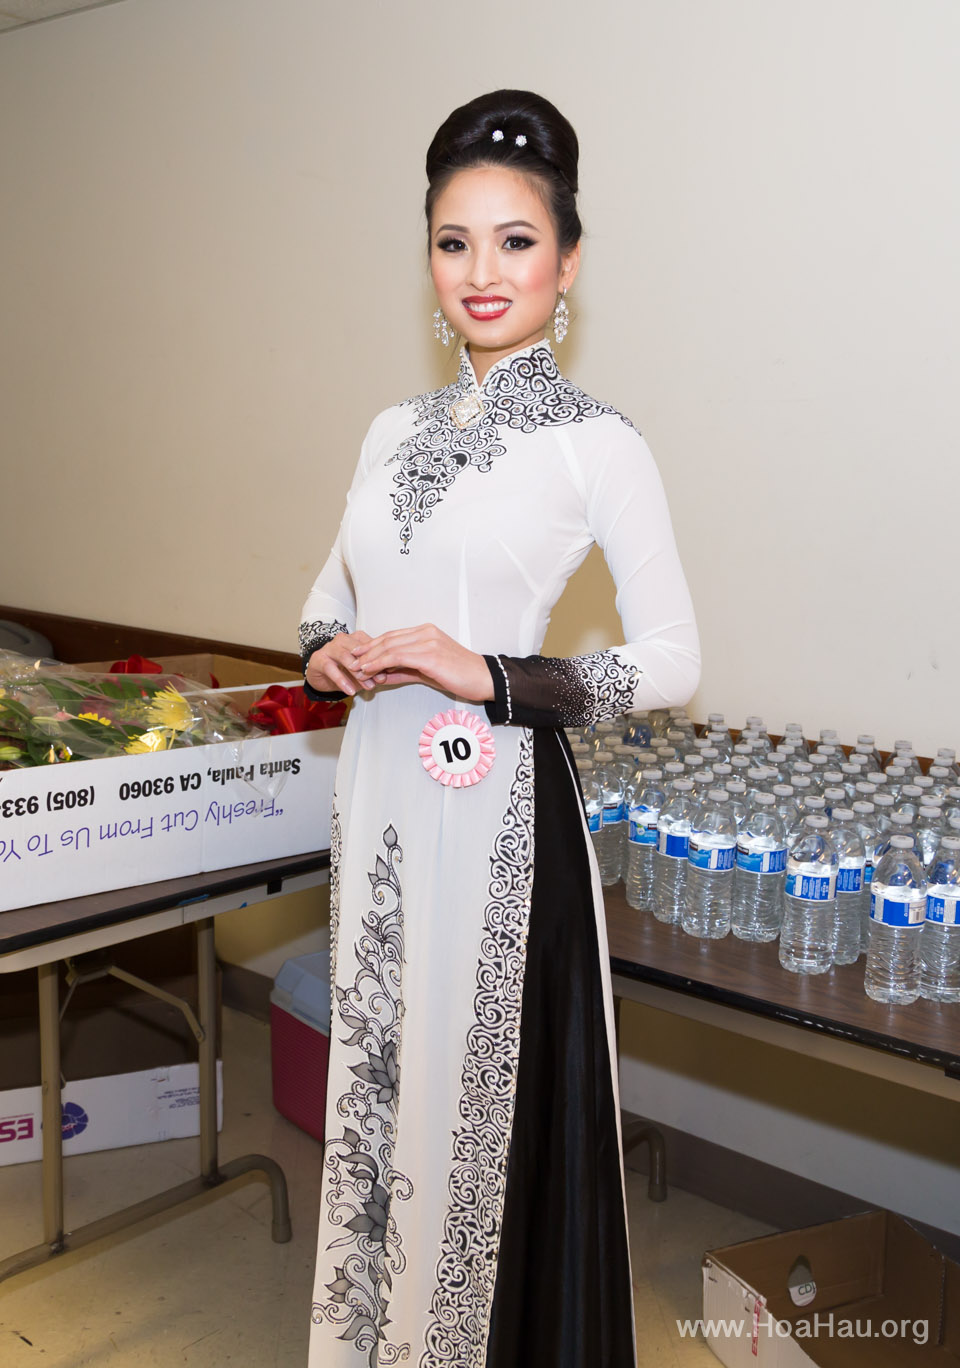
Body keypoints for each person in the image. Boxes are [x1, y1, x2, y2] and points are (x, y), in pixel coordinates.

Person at [299, 88, 700, 1368]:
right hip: (378, 798)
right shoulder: (386, 431)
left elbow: (676, 661)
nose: (482, 271)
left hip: (501, 809)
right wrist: (334, 655)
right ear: (427, 256)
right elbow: (320, 604)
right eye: (454, 239)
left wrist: (498, 674)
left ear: (568, 258)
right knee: (378, 1087)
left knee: (482, 1119)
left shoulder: (600, 446)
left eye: (515, 240)